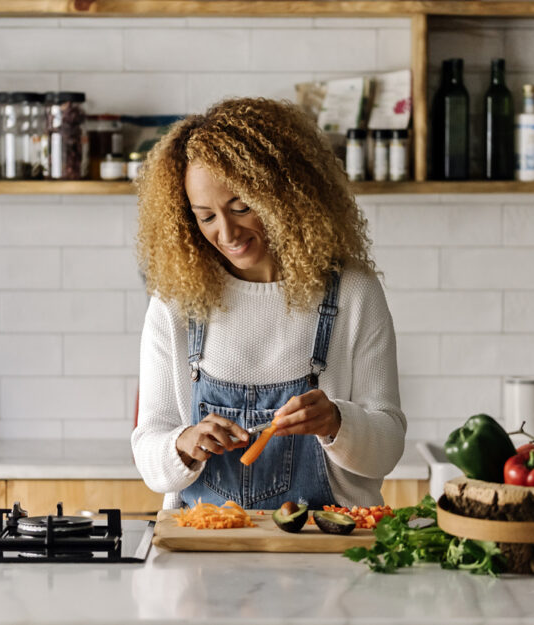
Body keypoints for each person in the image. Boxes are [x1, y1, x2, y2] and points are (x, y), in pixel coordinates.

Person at [131, 97, 406, 510]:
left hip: (323, 551)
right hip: (202, 552)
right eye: (206, 216)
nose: (227, 233)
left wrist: (337, 423)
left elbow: (388, 444)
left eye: (241, 206)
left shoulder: (351, 291)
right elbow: (149, 450)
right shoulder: (176, 302)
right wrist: (183, 444)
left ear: (285, 196)